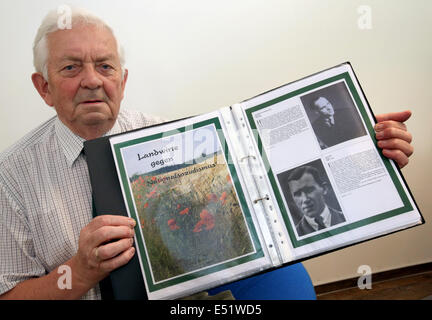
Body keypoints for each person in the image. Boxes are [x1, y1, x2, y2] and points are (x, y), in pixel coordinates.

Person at [0, 7, 414, 300]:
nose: (92, 81)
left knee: (284, 276)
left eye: (105, 67)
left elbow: (257, 202)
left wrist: (364, 147)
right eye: (71, 68)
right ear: (44, 87)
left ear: (122, 81)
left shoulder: (174, 136)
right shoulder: (12, 175)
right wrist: (81, 271)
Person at [287, 165, 345, 236]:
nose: (305, 199)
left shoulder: (345, 218)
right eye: (298, 194)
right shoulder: (296, 235)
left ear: (324, 189)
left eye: (309, 190)